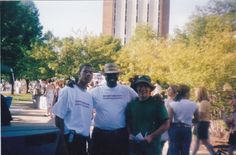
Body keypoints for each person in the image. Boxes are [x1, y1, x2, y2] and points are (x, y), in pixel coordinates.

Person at [89, 63, 138, 155]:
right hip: (100, 135)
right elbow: (81, 100)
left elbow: (141, 101)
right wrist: (75, 85)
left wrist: (155, 98)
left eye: (114, 74)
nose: (112, 76)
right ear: (105, 75)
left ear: (118, 75)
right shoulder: (95, 92)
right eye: (109, 74)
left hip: (120, 135)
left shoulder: (127, 90)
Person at [52, 64, 94, 155]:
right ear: (79, 73)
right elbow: (59, 117)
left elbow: (86, 121)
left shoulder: (89, 96)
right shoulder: (68, 91)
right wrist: (61, 143)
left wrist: (89, 140)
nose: (88, 74)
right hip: (69, 140)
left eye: (91, 72)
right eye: (85, 71)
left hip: (82, 142)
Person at [125, 75, 169, 155]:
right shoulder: (131, 104)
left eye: (146, 86)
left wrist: (151, 136)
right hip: (135, 147)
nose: (143, 89)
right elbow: (127, 122)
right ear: (136, 88)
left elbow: (166, 124)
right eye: (140, 86)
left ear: (150, 89)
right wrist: (130, 134)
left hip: (152, 147)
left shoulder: (157, 103)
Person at [168, 84, 198, 155]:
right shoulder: (193, 104)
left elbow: (169, 120)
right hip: (186, 129)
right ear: (187, 93)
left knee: (174, 150)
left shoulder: (173, 104)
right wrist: (190, 121)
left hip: (175, 128)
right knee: (185, 151)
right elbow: (197, 118)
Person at [191, 87, 215, 155]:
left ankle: (213, 153)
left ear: (200, 93)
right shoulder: (204, 102)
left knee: (204, 141)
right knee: (197, 142)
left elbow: (201, 115)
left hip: (202, 123)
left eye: (196, 92)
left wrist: (193, 117)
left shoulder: (203, 103)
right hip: (201, 123)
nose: (195, 94)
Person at [160, 84, 178, 155]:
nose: (167, 90)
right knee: (160, 143)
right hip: (164, 124)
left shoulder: (176, 103)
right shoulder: (164, 101)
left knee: (172, 146)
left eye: (170, 89)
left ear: (174, 92)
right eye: (168, 89)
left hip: (173, 125)